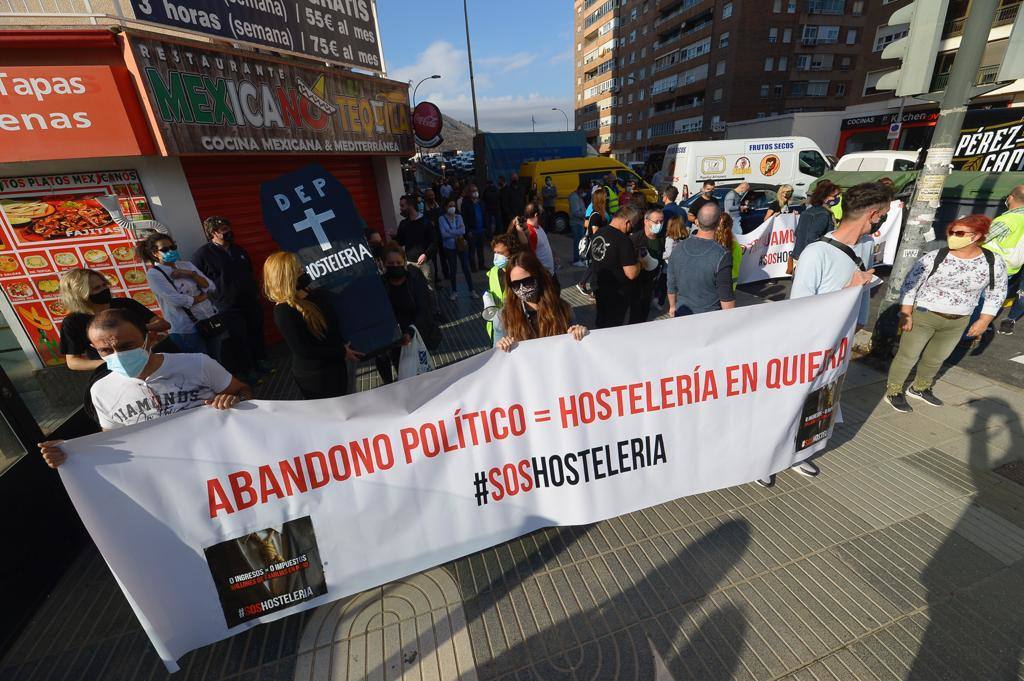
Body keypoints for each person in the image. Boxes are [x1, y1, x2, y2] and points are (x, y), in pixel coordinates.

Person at [39, 307, 251, 469]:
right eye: (106, 350)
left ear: (149, 338)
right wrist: (69, 452)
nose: (117, 355)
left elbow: (243, 391)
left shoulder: (197, 363)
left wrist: (235, 401)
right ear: (94, 349)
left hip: (223, 461)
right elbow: (115, 442)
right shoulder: (100, 391)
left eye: (126, 346)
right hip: (168, 473)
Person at [776, 182, 887, 487]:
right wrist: (848, 290)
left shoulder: (862, 248)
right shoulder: (817, 253)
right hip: (809, 345)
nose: (881, 223)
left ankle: (800, 451)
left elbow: (863, 288)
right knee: (794, 402)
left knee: (821, 400)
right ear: (873, 215)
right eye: (883, 216)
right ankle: (769, 458)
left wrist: (860, 319)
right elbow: (799, 310)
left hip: (839, 343)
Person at [885, 215, 1008, 412]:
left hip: (959, 320)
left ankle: (920, 388)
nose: (953, 237)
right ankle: (894, 391)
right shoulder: (936, 256)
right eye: (951, 232)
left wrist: (984, 320)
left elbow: (997, 292)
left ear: (977, 236)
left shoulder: (992, 262)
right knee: (908, 355)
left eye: (959, 233)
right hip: (924, 315)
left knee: (936, 358)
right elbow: (910, 284)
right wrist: (905, 313)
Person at [264, 252, 362, 399]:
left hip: (335, 365)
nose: (303, 270)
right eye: (298, 270)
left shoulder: (308, 292)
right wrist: (342, 352)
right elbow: (304, 350)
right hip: (317, 377)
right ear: (287, 277)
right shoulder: (283, 311)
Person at [192, 216, 267, 380]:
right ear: (213, 232)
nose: (229, 232)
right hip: (227, 306)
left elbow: (248, 270)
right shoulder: (203, 255)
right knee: (239, 338)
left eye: (228, 228)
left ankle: (261, 361)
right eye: (224, 230)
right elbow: (199, 281)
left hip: (249, 300)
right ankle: (247, 370)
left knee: (255, 331)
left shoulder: (238, 249)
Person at [59, 268, 170, 371]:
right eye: (97, 288)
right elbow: (73, 362)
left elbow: (163, 324)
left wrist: (137, 328)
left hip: (148, 361)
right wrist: (112, 364)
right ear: (81, 294)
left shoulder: (125, 304)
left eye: (104, 285)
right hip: (112, 373)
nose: (104, 289)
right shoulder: (73, 322)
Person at [142, 233, 223, 357]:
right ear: (155, 253)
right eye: (165, 249)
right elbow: (178, 301)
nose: (170, 251)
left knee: (217, 360)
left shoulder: (186, 265)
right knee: (200, 366)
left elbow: (210, 286)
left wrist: (191, 274)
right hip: (188, 329)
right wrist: (203, 297)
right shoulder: (155, 274)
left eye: (172, 247)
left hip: (208, 320)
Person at [496, 251, 587, 352]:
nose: (522, 288)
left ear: (538, 277)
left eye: (527, 281)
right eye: (515, 284)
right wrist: (501, 346)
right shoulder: (503, 317)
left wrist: (579, 333)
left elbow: (576, 349)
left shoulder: (563, 309)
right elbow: (497, 357)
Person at [376, 244, 441, 384]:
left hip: (416, 335)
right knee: (403, 373)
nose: (395, 266)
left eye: (398, 263)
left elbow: (424, 308)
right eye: (391, 263)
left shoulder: (415, 279)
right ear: (383, 264)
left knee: (421, 375)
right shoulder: (380, 285)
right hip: (393, 340)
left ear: (404, 262)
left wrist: (411, 331)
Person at [666, 203, 736, 317]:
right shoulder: (722, 254)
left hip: (682, 313)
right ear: (719, 223)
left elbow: (671, 283)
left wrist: (672, 307)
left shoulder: (678, 247)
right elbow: (726, 296)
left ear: (697, 221)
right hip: (709, 318)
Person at [591, 205, 643, 328]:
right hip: (617, 293)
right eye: (632, 226)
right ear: (627, 222)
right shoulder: (623, 240)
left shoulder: (599, 233)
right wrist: (640, 263)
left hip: (599, 286)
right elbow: (631, 273)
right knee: (613, 326)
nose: (632, 230)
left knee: (601, 322)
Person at [989, 184, 1024, 335]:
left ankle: (1006, 320)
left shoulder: (1009, 219)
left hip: (1001, 264)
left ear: (1010, 198)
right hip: (1013, 262)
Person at [629, 207, 666, 324]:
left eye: (661, 221)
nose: (659, 224)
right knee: (635, 317)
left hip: (651, 284)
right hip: (636, 285)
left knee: (644, 314)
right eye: (656, 222)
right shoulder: (634, 239)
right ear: (646, 221)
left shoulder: (662, 239)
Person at [485, 233, 523, 345]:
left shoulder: (521, 273)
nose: (496, 256)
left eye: (500, 253)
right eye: (495, 252)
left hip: (518, 324)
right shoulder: (493, 272)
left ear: (511, 254)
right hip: (499, 324)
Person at [792, 180, 841, 265]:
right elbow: (812, 236)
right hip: (812, 259)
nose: (837, 198)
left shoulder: (807, 211)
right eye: (834, 196)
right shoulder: (824, 214)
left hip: (800, 255)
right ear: (824, 197)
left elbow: (798, 234)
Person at [396, 194, 438, 291]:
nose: (401, 209)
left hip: (425, 264)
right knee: (416, 291)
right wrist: (394, 236)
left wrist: (426, 255)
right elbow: (401, 241)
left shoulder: (425, 222)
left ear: (410, 205)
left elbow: (434, 242)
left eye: (402, 206)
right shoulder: (404, 224)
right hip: (410, 264)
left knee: (430, 290)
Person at [440, 198, 475, 300]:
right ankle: (454, 291)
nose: (453, 208)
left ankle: (472, 290)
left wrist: (450, 231)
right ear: (446, 207)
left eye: (454, 206)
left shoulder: (459, 217)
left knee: (466, 268)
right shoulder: (441, 219)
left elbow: (463, 230)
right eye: (450, 206)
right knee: (453, 269)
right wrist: (457, 232)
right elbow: (443, 234)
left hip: (461, 245)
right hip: (449, 247)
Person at [514, 203, 556, 276]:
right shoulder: (531, 232)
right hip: (543, 274)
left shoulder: (538, 227)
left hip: (549, 272)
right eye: (541, 211)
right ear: (536, 214)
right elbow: (530, 256)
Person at [460, 184, 488, 272]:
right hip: (472, 231)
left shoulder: (481, 203)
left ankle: (481, 265)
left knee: (481, 249)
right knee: (472, 250)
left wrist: (486, 228)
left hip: (481, 230)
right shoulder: (465, 204)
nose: (475, 193)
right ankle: (473, 267)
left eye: (476, 190)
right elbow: (464, 218)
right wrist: (467, 231)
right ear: (469, 193)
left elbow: (485, 215)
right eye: (473, 191)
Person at [422, 189, 445, 286]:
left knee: (443, 256)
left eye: (433, 195)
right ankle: (436, 276)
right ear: (426, 197)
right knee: (434, 259)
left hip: (440, 235)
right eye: (430, 195)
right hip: (431, 237)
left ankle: (446, 273)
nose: (432, 197)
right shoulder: (424, 209)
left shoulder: (438, 206)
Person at [715, 213, 744, 290]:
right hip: (731, 287)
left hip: (714, 288)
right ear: (731, 225)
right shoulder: (736, 246)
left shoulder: (713, 244)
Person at [569, 182, 588, 268]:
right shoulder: (574, 197)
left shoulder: (578, 197)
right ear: (580, 189)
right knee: (577, 242)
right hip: (576, 223)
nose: (585, 193)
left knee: (581, 243)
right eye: (584, 191)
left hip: (580, 222)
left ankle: (580, 259)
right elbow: (575, 212)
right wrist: (585, 214)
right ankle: (576, 260)